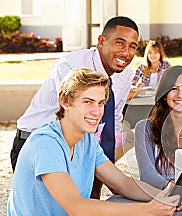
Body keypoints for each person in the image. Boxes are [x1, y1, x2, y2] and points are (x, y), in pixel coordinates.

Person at [6, 68, 182, 216]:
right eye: (88, 102)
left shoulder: (87, 141)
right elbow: (78, 210)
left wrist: (164, 197)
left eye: (101, 103)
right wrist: (148, 210)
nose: (97, 111)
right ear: (65, 102)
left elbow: (121, 183)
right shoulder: (46, 144)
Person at [11, 16, 139, 198]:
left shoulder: (125, 74)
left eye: (132, 46)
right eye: (119, 43)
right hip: (38, 143)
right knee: (55, 215)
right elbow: (67, 117)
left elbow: (114, 117)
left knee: (88, 204)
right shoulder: (72, 65)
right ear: (101, 41)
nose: (126, 52)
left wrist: (107, 165)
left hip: (83, 144)